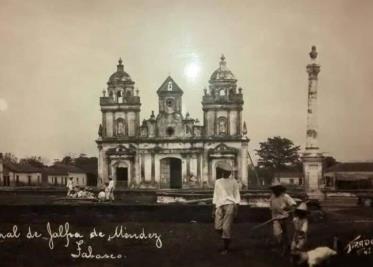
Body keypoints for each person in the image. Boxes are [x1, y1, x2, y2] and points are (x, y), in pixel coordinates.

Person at [212, 166, 241, 255]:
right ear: (222, 172)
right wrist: (214, 208)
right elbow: (215, 194)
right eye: (224, 171)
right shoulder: (218, 182)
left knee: (226, 228)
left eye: (228, 172)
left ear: (230, 173)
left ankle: (226, 248)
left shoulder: (233, 181)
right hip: (219, 205)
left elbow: (237, 194)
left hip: (230, 205)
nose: (226, 173)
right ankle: (227, 238)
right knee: (217, 227)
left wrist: (237, 207)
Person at [269, 180, 296, 256]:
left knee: (286, 234)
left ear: (280, 189)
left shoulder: (285, 196)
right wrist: (273, 216)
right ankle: (283, 246)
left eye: (276, 188)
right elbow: (271, 207)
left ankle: (286, 249)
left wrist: (287, 210)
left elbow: (293, 205)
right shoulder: (272, 197)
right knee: (277, 234)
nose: (274, 190)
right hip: (276, 218)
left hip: (285, 218)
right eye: (273, 189)